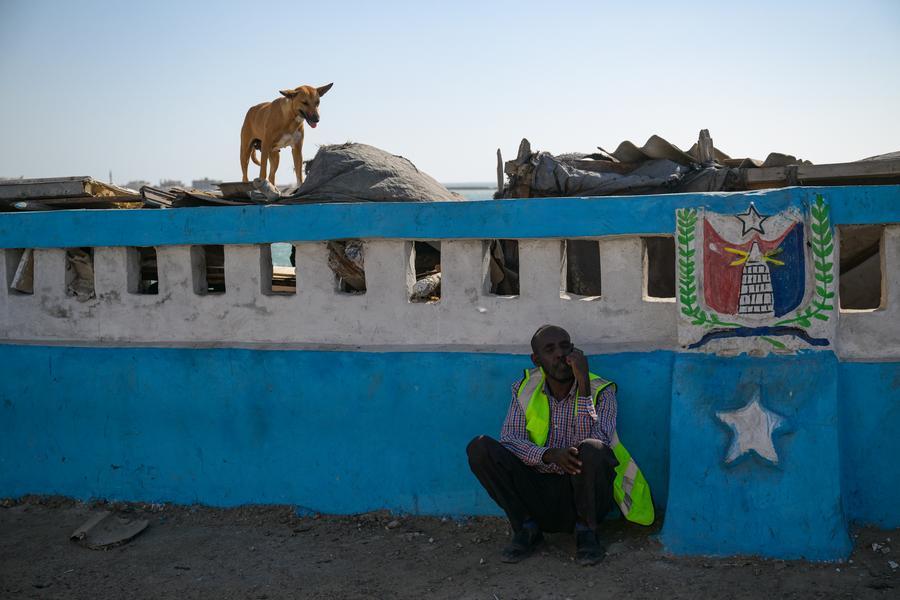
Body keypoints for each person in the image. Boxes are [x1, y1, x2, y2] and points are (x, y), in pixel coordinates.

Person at [466, 324, 653, 566]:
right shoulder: (523, 389)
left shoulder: (602, 391)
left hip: (584, 496)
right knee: (480, 448)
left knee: (593, 449)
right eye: (549, 349)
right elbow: (510, 440)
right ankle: (526, 530)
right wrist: (548, 455)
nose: (559, 355)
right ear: (537, 359)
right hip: (539, 491)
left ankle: (587, 533)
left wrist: (583, 385)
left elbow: (600, 442)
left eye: (565, 347)